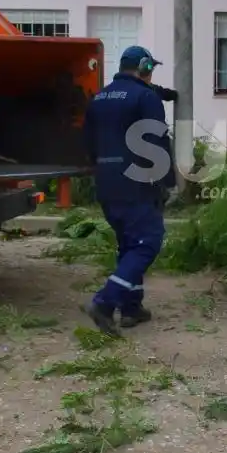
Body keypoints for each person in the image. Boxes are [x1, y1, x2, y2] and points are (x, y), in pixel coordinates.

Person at [81, 45, 176, 336]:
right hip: (137, 183)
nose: (151, 76)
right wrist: (168, 181)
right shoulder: (146, 97)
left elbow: (89, 143)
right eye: (151, 70)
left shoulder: (99, 97)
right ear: (145, 68)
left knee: (128, 244)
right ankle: (105, 302)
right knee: (148, 242)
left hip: (107, 182)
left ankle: (131, 307)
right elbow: (156, 142)